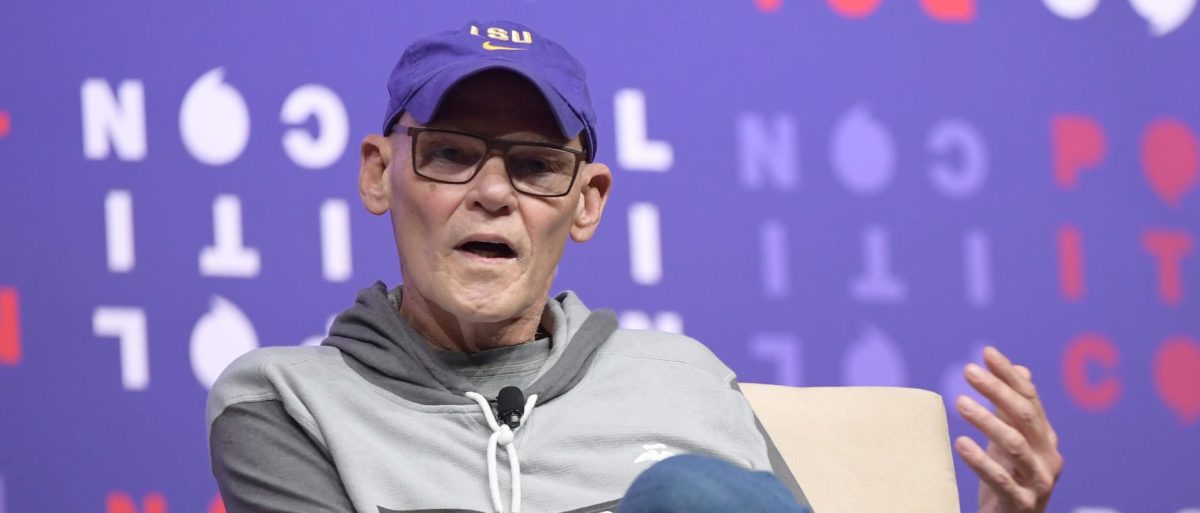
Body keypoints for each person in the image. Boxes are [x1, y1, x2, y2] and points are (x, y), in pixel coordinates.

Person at [206, 20, 1062, 513]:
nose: (493, 193)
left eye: (535, 165)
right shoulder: (284, 400)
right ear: (377, 174)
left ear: (587, 202)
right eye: (453, 153)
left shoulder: (684, 379)